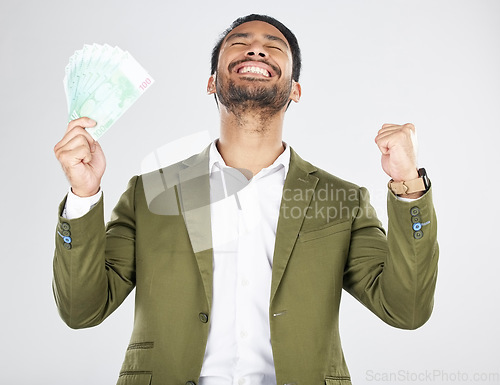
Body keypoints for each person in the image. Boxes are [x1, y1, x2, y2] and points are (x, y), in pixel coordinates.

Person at [53, 14, 438, 385]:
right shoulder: (150, 193)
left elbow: (406, 310)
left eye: (274, 47)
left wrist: (408, 184)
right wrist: (84, 195)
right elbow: (81, 309)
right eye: (240, 44)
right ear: (211, 83)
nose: (256, 51)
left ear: (295, 90)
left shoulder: (343, 200)